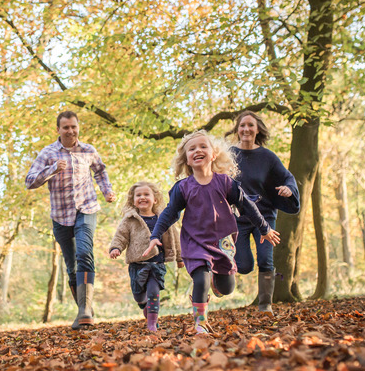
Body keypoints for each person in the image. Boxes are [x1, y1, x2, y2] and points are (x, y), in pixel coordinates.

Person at [144, 130, 280, 334]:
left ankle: (218, 279)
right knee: (201, 278)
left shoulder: (225, 183)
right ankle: (200, 322)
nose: (197, 150)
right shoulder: (183, 187)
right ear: (187, 159)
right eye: (192, 149)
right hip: (194, 242)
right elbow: (170, 213)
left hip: (222, 241)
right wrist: (155, 235)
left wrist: (264, 228)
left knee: (227, 288)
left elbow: (247, 206)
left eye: (202, 146)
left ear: (213, 154)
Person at [25, 111, 116, 330]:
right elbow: (29, 182)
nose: (70, 131)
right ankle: (83, 309)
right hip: (60, 216)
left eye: (73, 126)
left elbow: (100, 172)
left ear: (78, 127)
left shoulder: (88, 150)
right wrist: (52, 169)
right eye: (65, 127)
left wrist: (107, 191)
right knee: (72, 265)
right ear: (58, 129)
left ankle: (85, 311)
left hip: (86, 208)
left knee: (85, 252)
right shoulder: (48, 153)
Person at [225, 111, 300, 315]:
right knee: (244, 266)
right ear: (237, 129)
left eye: (250, 125)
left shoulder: (267, 157)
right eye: (242, 126)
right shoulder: (229, 155)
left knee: (266, 260)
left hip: (264, 217)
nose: (246, 129)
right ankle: (225, 263)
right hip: (239, 219)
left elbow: (288, 178)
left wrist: (289, 189)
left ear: (258, 129)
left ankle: (266, 305)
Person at [108, 181, 184, 332]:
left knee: (153, 292)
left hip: (157, 264)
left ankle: (152, 323)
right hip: (137, 265)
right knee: (139, 297)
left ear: (155, 199)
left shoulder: (163, 218)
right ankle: (144, 306)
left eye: (146, 194)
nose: (142, 197)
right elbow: (121, 236)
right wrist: (116, 248)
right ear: (133, 200)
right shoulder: (130, 219)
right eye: (138, 195)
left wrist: (180, 258)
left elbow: (175, 238)